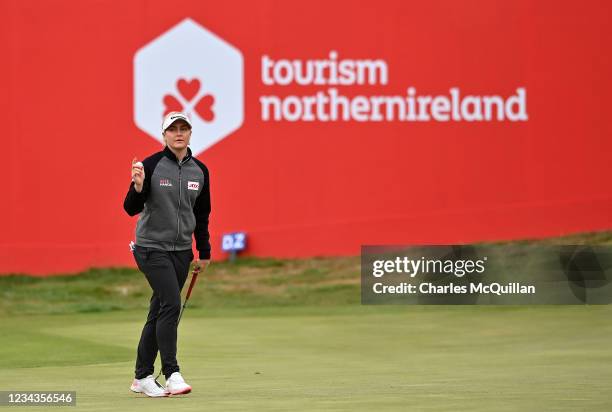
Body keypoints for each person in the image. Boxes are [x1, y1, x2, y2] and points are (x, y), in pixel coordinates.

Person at [123, 112, 211, 397]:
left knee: (159, 309)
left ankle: (141, 377)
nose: (179, 134)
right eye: (173, 129)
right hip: (151, 248)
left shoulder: (200, 170)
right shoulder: (150, 165)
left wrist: (204, 250)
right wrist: (138, 186)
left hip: (182, 252)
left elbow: (201, 214)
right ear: (164, 135)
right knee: (171, 304)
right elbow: (130, 208)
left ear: (190, 133)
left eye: (184, 129)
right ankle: (172, 373)